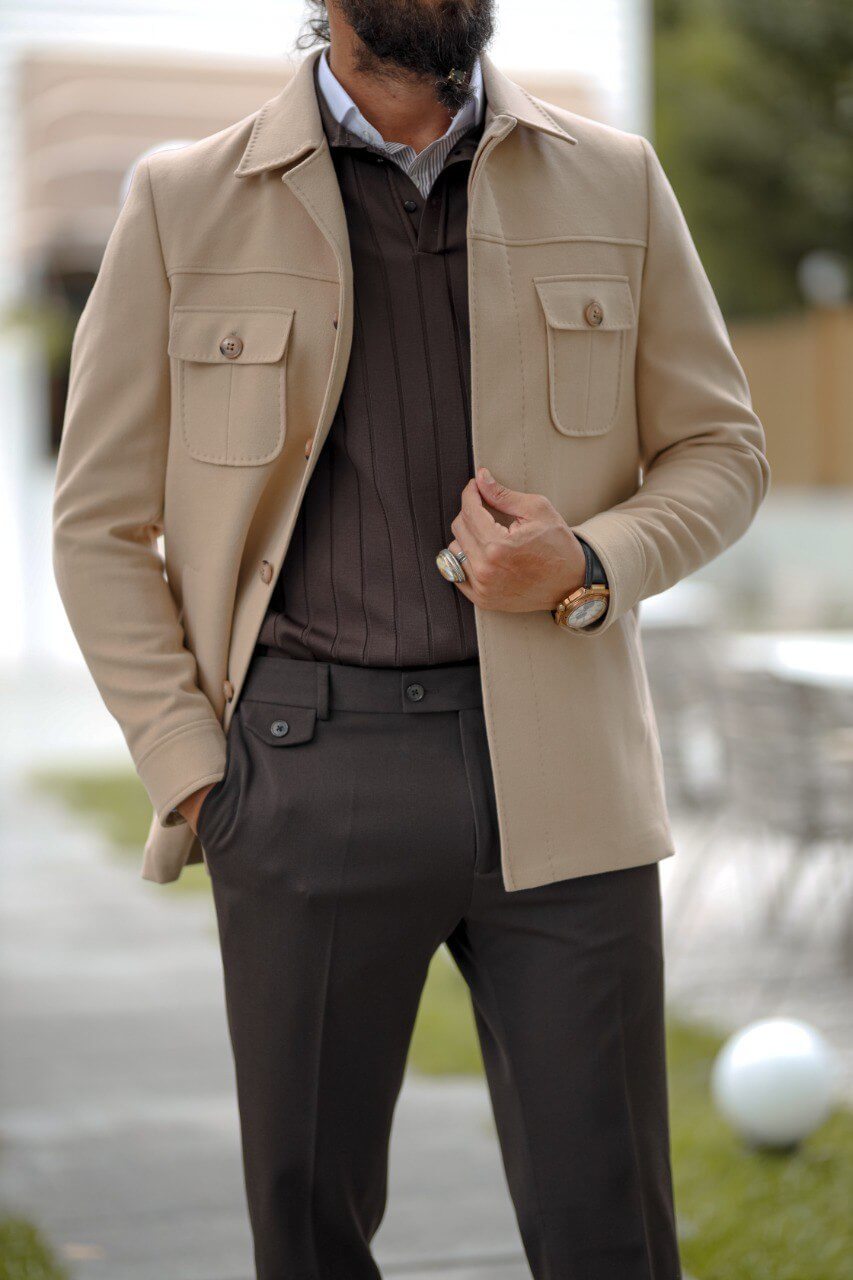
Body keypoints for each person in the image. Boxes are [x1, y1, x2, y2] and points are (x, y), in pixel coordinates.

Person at [53, 2, 769, 1276]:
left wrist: (593, 557)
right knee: (312, 1235)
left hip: (568, 778)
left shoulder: (616, 179)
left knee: (613, 1230)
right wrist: (193, 767)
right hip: (302, 770)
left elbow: (721, 450)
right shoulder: (182, 201)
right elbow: (101, 524)